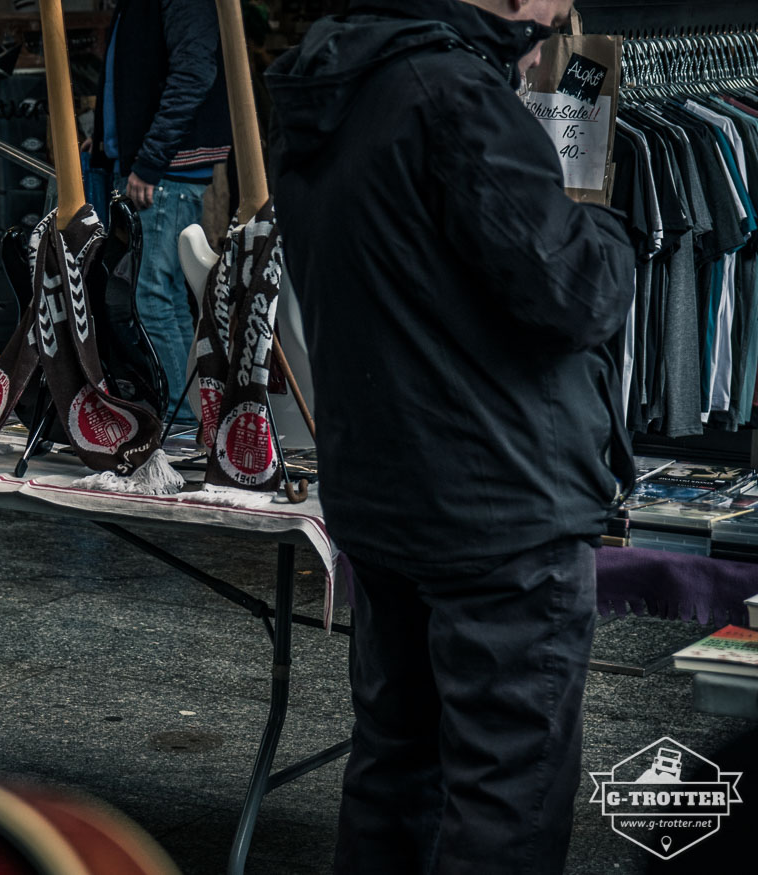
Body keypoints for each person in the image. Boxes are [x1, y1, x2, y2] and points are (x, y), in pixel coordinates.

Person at [266, 1, 635, 872]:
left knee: (397, 768)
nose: (560, 12)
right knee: (504, 793)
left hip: (394, 492)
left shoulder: (340, 83)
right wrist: (609, 224)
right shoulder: (453, 94)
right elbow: (574, 291)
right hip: (499, 506)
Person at [90, 0, 232, 425]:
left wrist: (150, 160)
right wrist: (104, 143)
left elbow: (194, 74)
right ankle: (192, 417)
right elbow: (131, 78)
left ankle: (186, 420)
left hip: (166, 170)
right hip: (150, 165)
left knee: (154, 296)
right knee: (158, 294)